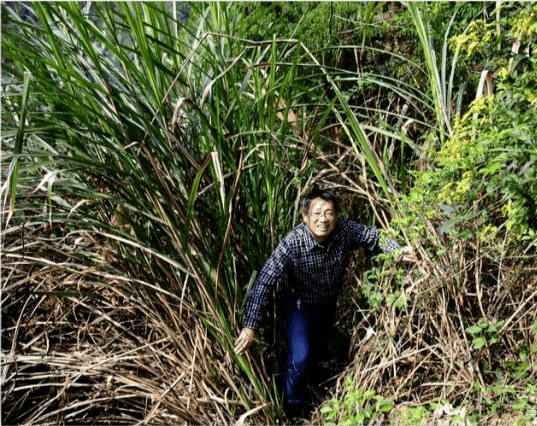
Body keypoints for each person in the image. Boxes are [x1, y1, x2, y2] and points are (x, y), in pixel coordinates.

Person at [234, 189, 414, 420]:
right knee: (300, 356)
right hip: (299, 304)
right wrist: (250, 326)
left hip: (328, 304)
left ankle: (310, 385)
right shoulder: (292, 243)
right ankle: (294, 412)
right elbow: (265, 280)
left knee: (317, 351)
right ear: (305, 216)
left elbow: (373, 235)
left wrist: (396, 251)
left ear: (337, 216)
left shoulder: (344, 230)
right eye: (317, 213)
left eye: (329, 213)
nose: (323, 219)